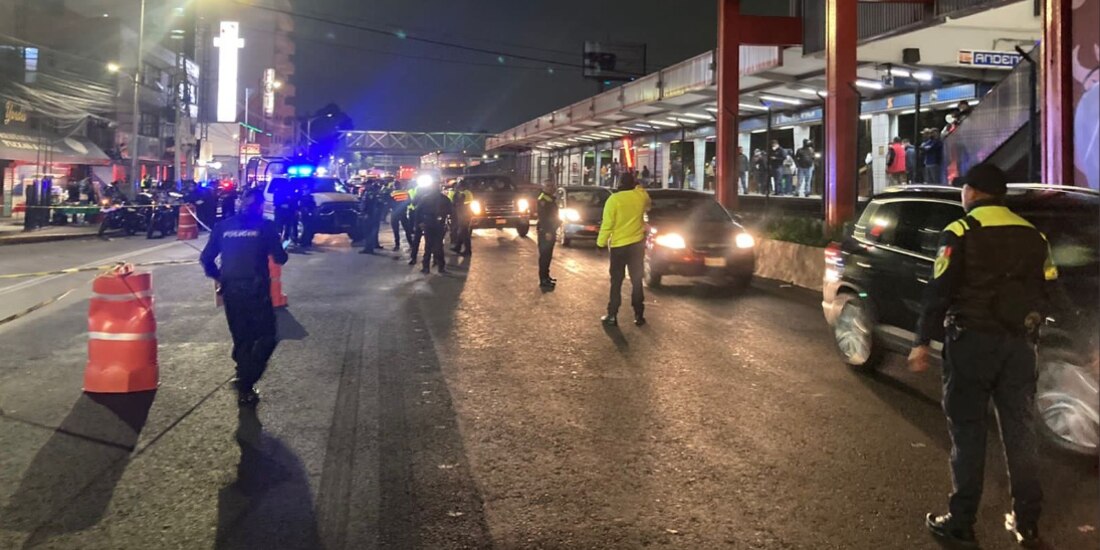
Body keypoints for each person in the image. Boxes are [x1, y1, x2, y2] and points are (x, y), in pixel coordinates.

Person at [908, 164, 1059, 549]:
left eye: (964, 189)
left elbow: (939, 291)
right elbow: (1052, 289)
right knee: (1021, 432)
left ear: (973, 193)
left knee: (968, 433)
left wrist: (922, 341)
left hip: (971, 346)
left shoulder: (960, 232)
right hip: (1019, 347)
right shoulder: (1033, 235)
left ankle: (960, 523)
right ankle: (1027, 522)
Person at [200, 188, 289, 406]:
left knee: (242, 337)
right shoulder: (266, 227)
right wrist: (281, 242)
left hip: (231, 290)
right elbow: (280, 258)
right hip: (256, 291)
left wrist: (220, 277)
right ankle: (247, 379)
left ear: (240, 202)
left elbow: (206, 258)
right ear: (260, 205)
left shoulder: (223, 226)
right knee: (267, 337)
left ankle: (244, 381)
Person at [596, 173, 650, 327]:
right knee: (636, 281)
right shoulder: (641, 197)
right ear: (634, 183)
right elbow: (648, 203)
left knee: (616, 282)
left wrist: (600, 243)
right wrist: (638, 186)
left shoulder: (614, 200)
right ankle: (639, 315)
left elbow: (608, 224)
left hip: (619, 247)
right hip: (636, 245)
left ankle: (612, 315)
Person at [411, 178, 453, 274]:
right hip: (437, 224)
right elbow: (451, 212)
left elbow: (417, 211)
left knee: (429, 246)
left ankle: (427, 267)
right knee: (438, 246)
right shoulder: (444, 198)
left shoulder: (426, 198)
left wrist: (419, 223)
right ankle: (440, 267)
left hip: (430, 223)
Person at [536, 181, 560, 289]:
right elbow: (544, 218)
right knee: (545, 256)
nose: (552, 188)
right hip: (546, 231)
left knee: (548, 255)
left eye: (552, 186)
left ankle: (546, 276)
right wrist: (548, 232)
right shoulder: (543, 200)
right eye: (549, 186)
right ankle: (543, 280)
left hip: (550, 230)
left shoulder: (549, 198)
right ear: (544, 188)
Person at [358, 181, 383, 254]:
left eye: (365, 185)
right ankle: (371, 246)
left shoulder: (369, 193)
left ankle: (368, 248)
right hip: (372, 215)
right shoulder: (372, 192)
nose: (364, 186)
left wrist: (366, 213)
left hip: (369, 215)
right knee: (371, 231)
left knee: (368, 232)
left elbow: (369, 205)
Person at [449, 181, 474, 256]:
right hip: (464, 214)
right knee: (461, 232)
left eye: (459, 185)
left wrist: (456, 194)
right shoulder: (466, 192)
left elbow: (457, 203)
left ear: (462, 186)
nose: (457, 187)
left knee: (464, 233)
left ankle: (468, 250)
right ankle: (458, 247)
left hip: (464, 215)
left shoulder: (464, 193)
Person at [272, 178, 299, 244]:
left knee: (288, 226)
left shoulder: (291, 192)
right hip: (280, 212)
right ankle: (278, 240)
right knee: (279, 226)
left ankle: (285, 239)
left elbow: (294, 202)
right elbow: (276, 202)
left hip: (288, 212)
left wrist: (294, 209)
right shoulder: (278, 192)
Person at [388, 180, 412, 251]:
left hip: (395, 213)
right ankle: (411, 243)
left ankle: (397, 245)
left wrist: (394, 207)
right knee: (407, 229)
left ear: (395, 186)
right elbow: (409, 201)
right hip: (403, 212)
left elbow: (389, 204)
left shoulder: (392, 194)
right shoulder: (405, 193)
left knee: (396, 230)